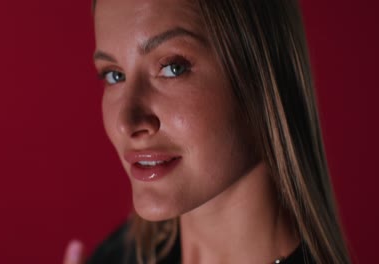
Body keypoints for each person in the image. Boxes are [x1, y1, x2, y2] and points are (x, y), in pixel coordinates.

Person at [65, 0, 351, 263]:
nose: (126, 122)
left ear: (264, 75)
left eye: (173, 68)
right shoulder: (119, 255)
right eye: (114, 75)